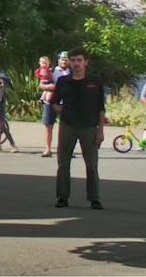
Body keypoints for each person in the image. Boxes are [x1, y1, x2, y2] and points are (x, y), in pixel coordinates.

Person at [51, 49, 107, 209]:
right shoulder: (63, 81)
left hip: (89, 127)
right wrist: (61, 110)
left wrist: (100, 131)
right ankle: (62, 197)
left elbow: (101, 108)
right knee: (63, 163)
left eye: (79, 60)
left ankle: (94, 198)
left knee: (91, 165)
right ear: (69, 62)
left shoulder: (94, 83)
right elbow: (54, 102)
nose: (76, 63)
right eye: (73, 60)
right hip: (67, 126)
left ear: (85, 62)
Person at [38, 52, 67, 157]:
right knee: (48, 126)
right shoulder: (52, 71)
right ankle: (48, 149)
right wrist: (51, 87)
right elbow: (41, 85)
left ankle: (65, 149)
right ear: (58, 60)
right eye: (62, 59)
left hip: (65, 102)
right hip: (50, 101)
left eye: (66, 60)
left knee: (66, 127)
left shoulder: (71, 73)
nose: (64, 61)